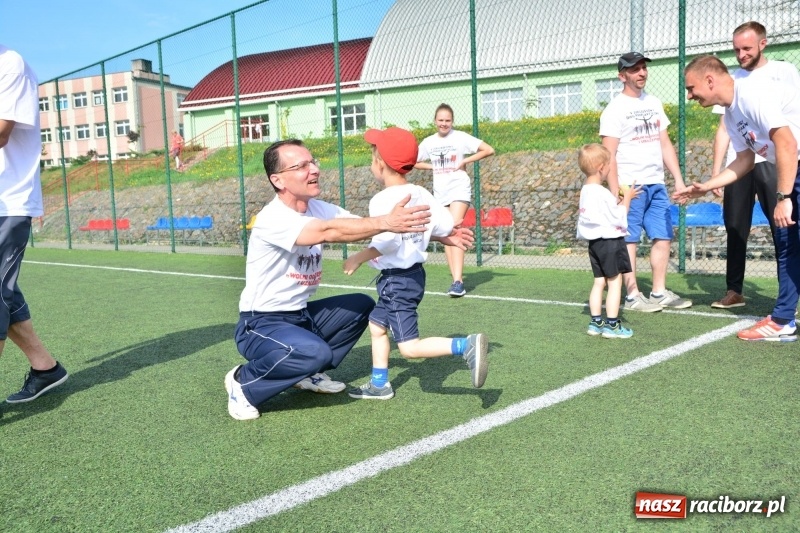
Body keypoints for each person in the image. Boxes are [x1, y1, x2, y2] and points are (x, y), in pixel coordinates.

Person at [225, 139, 436, 420]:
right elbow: (328, 231)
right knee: (313, 351)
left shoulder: (318, 207)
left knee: (361, 305)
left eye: (313, 162)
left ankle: (307, 373)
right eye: (301, 166)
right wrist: (386, 221)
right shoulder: (272, 218)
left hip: (300, 316)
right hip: (260, 323)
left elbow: (359, 227)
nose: (313, 170)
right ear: (278, 180)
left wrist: (442, 234)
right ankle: (244, 383)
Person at [342, 127, 488, 400]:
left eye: (373, 157)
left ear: (380, 164)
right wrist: (446, 236)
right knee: (377, 327)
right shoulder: (421, 191)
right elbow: (445, 223)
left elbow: (388, 243)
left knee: (409, 348)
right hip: (412, 276)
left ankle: (464, 345)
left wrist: (358, 257)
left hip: (396, 281)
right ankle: (379, 384)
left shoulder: (381, 200)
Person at [680, 55, 800, 341]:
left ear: (709, 80)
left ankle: (783, 318)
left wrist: (783, 196)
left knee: (789, 243)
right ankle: (783, 319)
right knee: (788, 244)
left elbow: (786, 142)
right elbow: (745, 160)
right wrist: (708, 185)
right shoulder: (732, 112)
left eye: (691, 87)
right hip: (793, 169)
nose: (690, 95)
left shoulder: (751, 95)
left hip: (794, 165)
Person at [708, 21, 800, 309]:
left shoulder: (784, 72)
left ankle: (787, 298)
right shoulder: (731, 80)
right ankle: (734, 290)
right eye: (736, 49)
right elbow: (725, 128)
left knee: (782, 228)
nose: (741, 54)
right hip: (742, 158)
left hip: (776, 159)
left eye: (746, 48)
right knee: (735, 225)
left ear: (763, 43)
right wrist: (715, 174)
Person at [0, 44, 68, 403]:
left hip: (6, 201)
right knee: (2, 293)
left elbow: (1, 131)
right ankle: (46, 368)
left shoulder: (9, 64)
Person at [600, 51, 692, 313]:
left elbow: (664, 142)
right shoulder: (614, 110)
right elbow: (609, 155)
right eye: (634, 69)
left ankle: (659, 292)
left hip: (657, 184)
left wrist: (678, 179)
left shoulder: (653, 102)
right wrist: (616, 189)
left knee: (662, 237)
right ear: (622, 76)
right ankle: (632, 295)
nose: (641, 73)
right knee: (629, 240)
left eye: (643, 68)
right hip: (631, 186)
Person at [415, 103, 495, 297]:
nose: (444, 124)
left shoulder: (460, 137)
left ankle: (458, 282)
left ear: (452, 121)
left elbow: (488, 149)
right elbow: (414, 162)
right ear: (435, 121)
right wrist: (432, 167)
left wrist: (465, 161)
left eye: (448, 120)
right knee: (446, 232)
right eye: (441, 120)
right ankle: (455, 281)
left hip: (459, 189)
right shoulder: (428, 142)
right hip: (440, 193)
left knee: (456, 228)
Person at [576, 144, 641, 339]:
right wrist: (627, 198)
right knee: (615, 282)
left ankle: (596, 322)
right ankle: (612, 325)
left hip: (595, 244)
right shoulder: (602, 193)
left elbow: (607, 213)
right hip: (611, 242)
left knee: (598, 282)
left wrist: (619, 200)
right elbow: (620, 216)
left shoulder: (586, 191)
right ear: (601, 168)